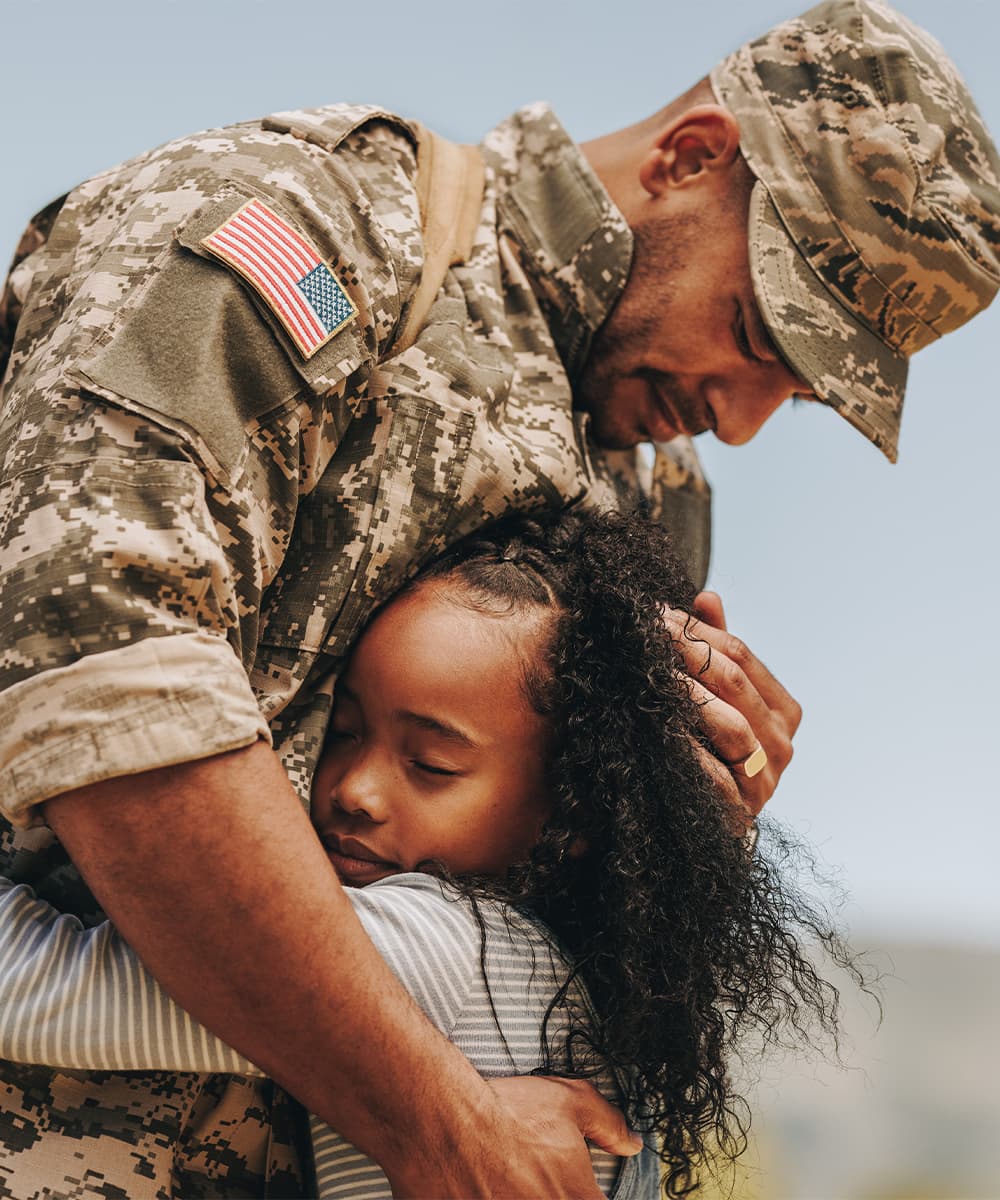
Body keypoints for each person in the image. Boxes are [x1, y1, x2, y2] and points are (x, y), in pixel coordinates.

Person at [0, 0, 996, 1192]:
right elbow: (111, 709)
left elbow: (534, 936)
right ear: (691, 157)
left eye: (800, 392)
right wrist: (443, 1127)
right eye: (757, 332)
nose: (741, 417)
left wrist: (690, 820)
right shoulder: (306, 237)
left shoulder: (652, 490)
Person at [0, 509, 850, 1199]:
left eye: (431, 765)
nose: (356, 790)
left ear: (575, 810)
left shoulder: (442, 947)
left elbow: (34, 991)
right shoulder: (565, 973)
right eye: (345, 732)